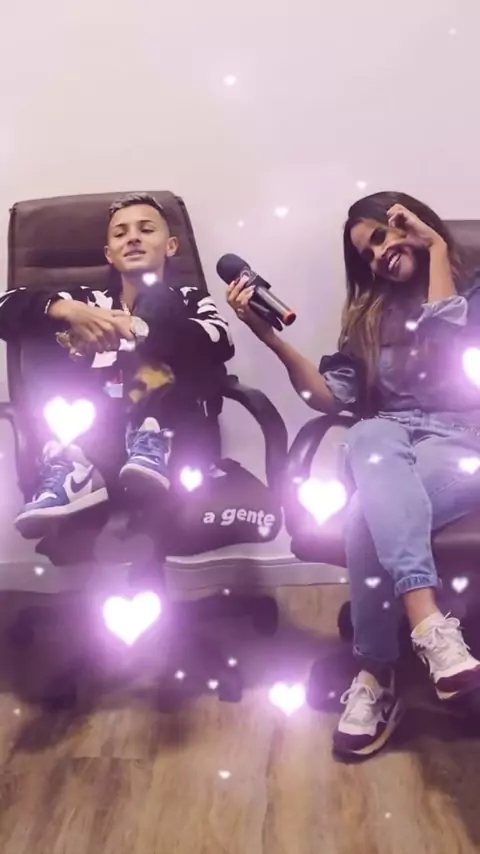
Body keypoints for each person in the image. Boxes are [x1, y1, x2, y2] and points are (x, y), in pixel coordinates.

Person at [226, 190, 480, 758]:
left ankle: (375, 672)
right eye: (368, 252)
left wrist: (438, 249)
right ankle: (431, 629)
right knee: (366, 433)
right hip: (389, 438)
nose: (380, 253)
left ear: (417, 224)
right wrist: (270, 339)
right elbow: (329, 399)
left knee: (367, 509)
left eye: (386, 235)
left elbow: (451, 347)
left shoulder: (472, 290)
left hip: (465, 437)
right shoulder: (368, 316)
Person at [2, 192, 234, 538]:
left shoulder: (189, 299)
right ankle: (73, 466)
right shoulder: (89, 301)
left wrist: (141, 329)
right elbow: (4, 307)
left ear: (171, 246)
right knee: (42, 319)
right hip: (98, 438)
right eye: (121, 233)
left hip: (171, 446)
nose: (133, 238)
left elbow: (220, 341)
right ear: (109, 254)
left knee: (159, 295)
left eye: (146, 230)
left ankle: (148, 434)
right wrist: (67, 311)